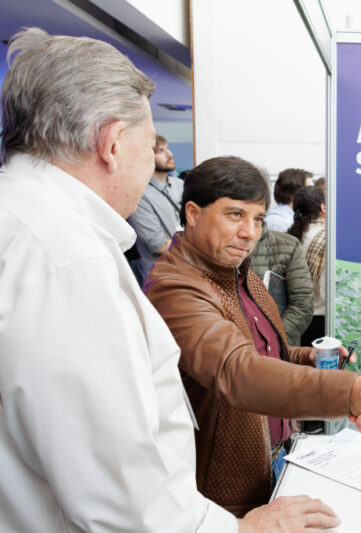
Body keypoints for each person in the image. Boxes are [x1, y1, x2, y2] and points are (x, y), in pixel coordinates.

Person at [0, 27, 338, 532]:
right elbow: (123, 497)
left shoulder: (28, 223)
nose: (247, 232)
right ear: (113, 143)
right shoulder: (67, 260)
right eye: (147, 142)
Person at [143, 156, 361, 516]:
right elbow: (237, 370)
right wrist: (353, 394)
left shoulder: (238, 272)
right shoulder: (176, 287)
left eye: (258, 219)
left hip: (278, 457)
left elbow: (258, 351)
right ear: (192, 213)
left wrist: (304, 356)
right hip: (225, 491)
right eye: (235, 215)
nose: (250, 232)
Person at [249, 169, 314, 346]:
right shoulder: (278, 220)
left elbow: (302, 303)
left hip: (278, 348)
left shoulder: (287, 244)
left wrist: (268, 340)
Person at [128, 134, 184, 281]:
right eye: (160, 151)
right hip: (162, 278)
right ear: (145, 157)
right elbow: (157, 245)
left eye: (168, 149)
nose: (169, 154)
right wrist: (201, 248)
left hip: (188, 271)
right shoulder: (140, 194)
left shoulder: (180, 184)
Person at [288, 185, 328, 346]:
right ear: (323, 208)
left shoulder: (291, 235)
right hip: (320, 315)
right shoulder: (327, 236)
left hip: (295, 315)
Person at [265, 168, 312, 232]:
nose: (313, 194)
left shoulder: (294, 217)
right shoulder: (277, 222)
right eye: (309, 190)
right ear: (295, 193)